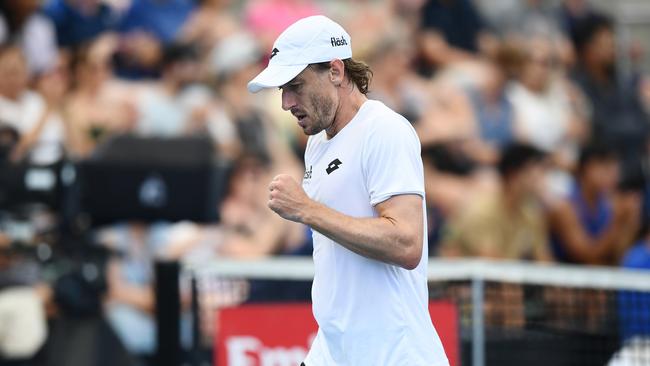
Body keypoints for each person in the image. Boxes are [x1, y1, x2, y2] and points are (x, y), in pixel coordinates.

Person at [247, 15, 448, 366]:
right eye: (283, 90)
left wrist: (306, 209)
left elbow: (407, 242)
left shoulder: (385, 130)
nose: (286, 103)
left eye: (296, 85)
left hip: (394, 355)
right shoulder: (317, 144)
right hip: (333, 351)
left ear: (336, 72)